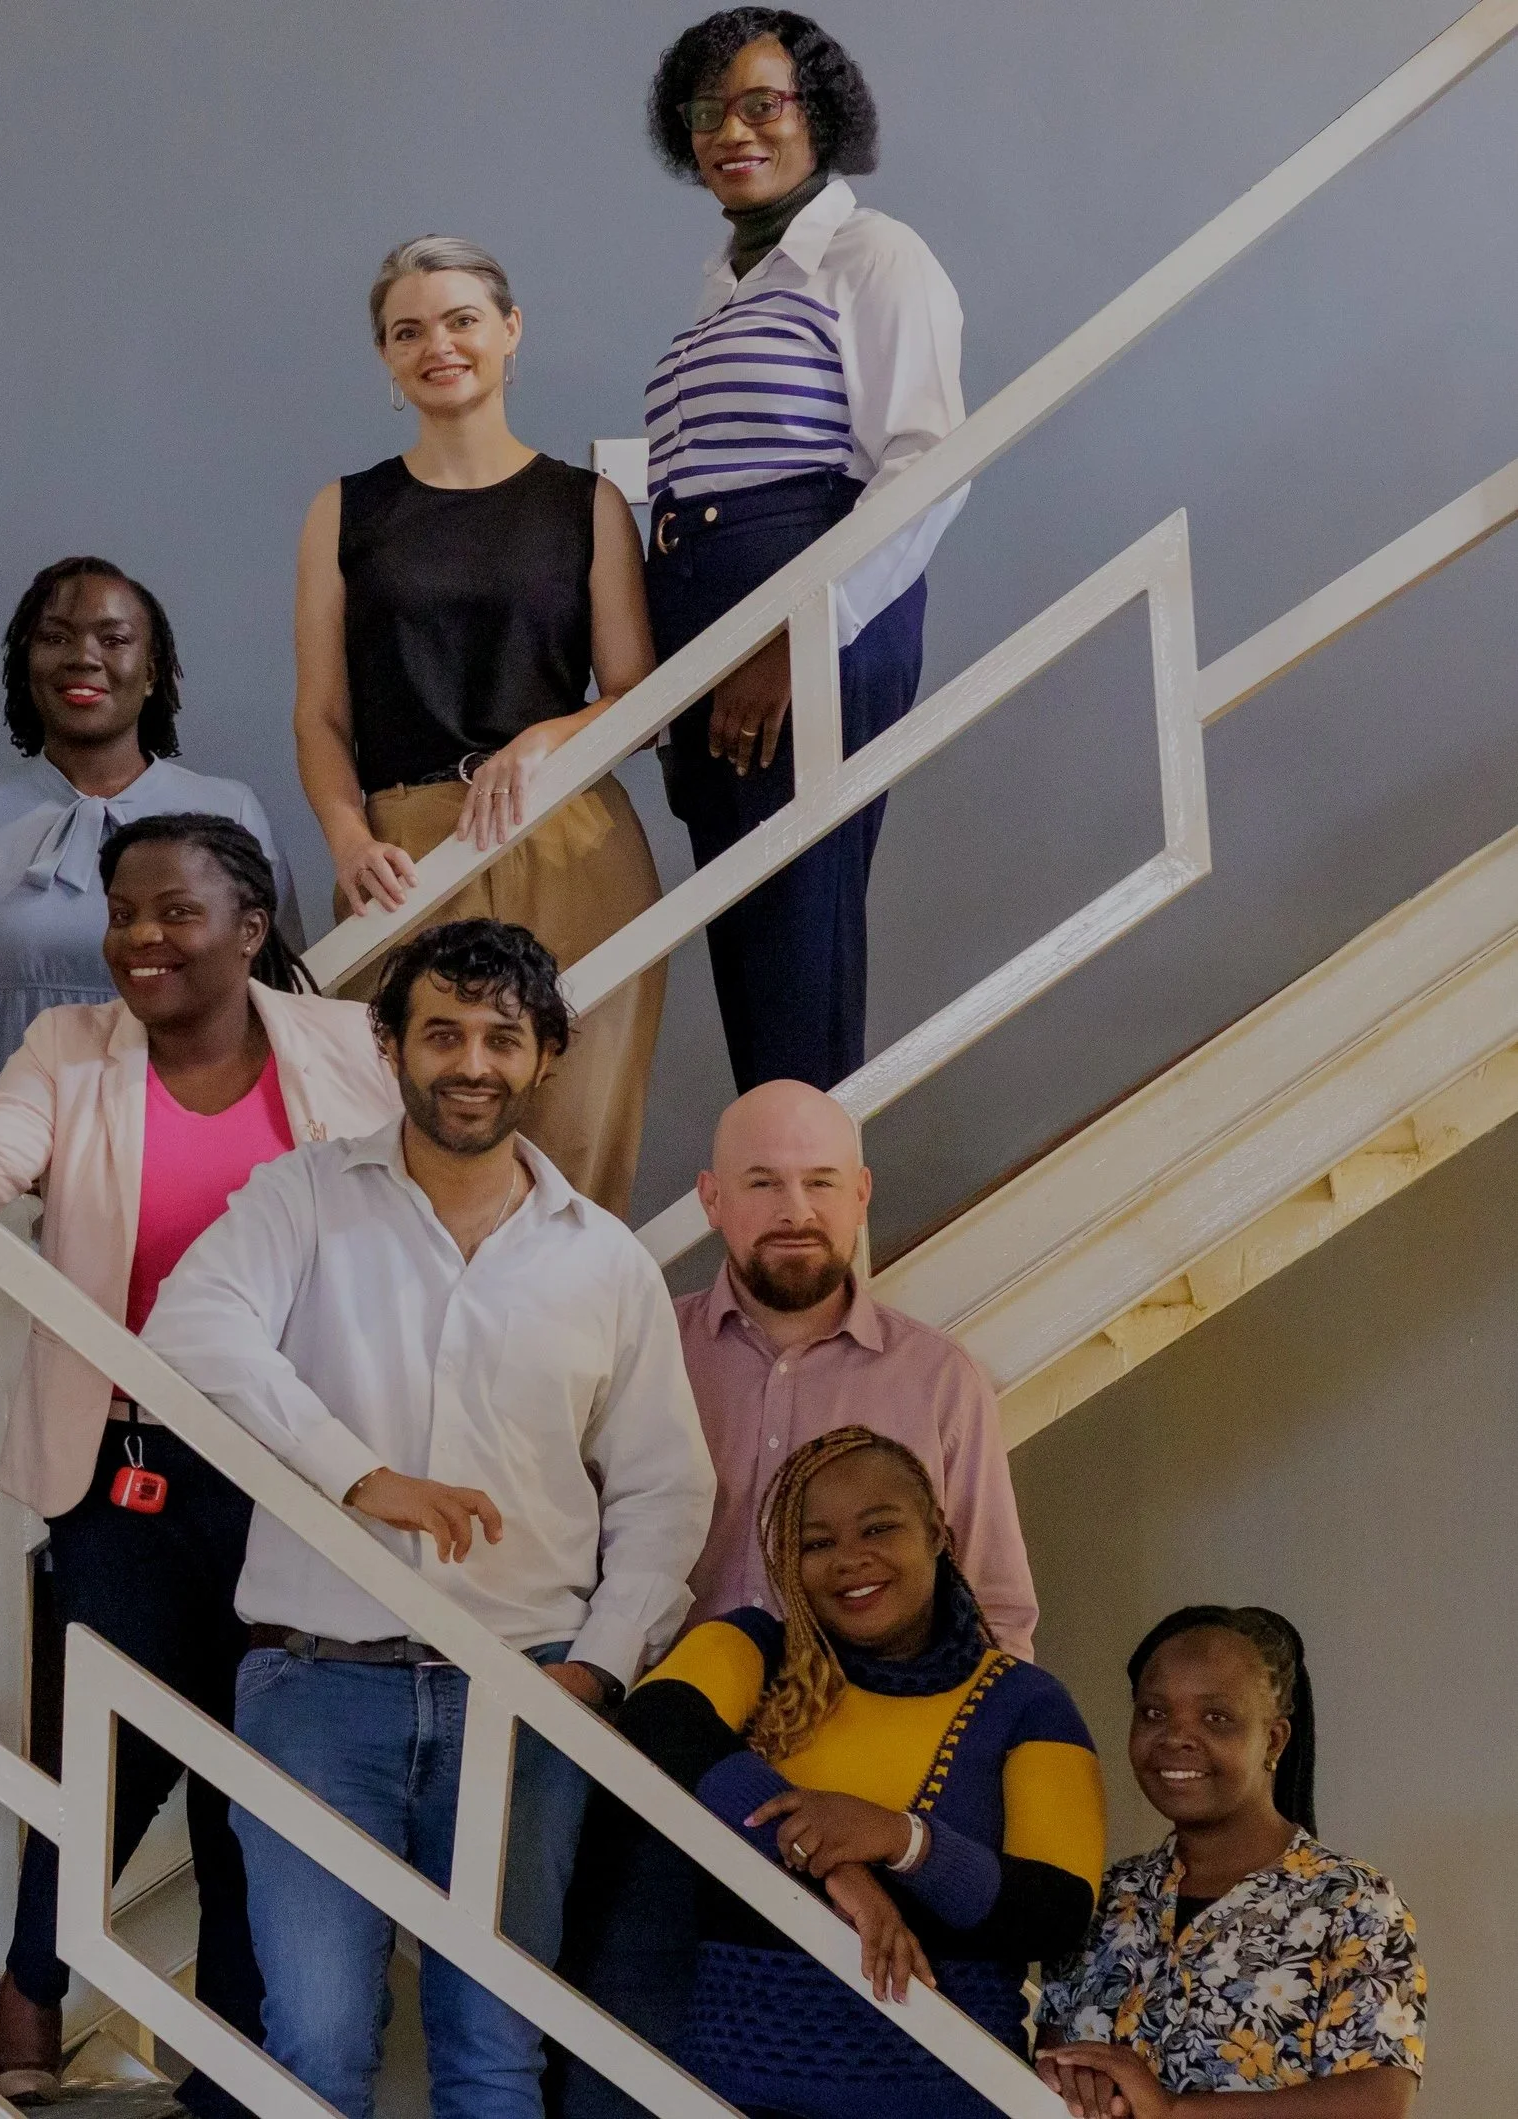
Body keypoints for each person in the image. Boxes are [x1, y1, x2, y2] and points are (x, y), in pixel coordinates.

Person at [0, 813, 392, 2108]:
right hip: (124, 1466)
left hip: (294, 1469)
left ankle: (222, 2052)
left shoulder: (344, 1046)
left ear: (249, 925)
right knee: (117, 1740)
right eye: (122, 910)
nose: (139, 937)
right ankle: (36, 1978)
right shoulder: (67, 1049)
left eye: (173, 911)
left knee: (257, 1759)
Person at [141, 918, 713, 2119]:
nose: (471, 1062)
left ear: (545, 1055)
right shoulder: (301, 1197)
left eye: (503, 1037)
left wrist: (599, 1671)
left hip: (524, 1696)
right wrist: (358, 1475)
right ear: (390, 1044)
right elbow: (189, 1332)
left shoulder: (604, 1260)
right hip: (314, 1690)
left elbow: (666, 1488)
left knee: (498, 2049)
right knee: (314, 2044)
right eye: (441, 1032)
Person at [0, 555, 297, 1579]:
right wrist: (24, 1134)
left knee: (179, 1478)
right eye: (57, 633)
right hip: (3, 1182)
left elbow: (281, 1003)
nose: (85, 657)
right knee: (18, 1487)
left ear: (155, 671)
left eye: (116, 637)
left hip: (181, 1188)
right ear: (24, 660)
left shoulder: (227, 806)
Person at [559, 1427, 1102, 2119]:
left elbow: (1052, 1912)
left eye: (879, 1527)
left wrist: (903, 1840)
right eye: (816, 1543)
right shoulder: (753, 1647)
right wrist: (829, 1863)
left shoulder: (1025, 1700)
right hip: (733, 2098)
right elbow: (656, 1725)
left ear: (937, 1532)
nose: (850, 1560)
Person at [293, 235, 667, 1215]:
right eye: (407, 330)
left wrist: (547, 738)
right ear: (386, 358)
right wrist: (346, 837)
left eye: (462, 320)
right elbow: (322, 714)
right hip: (405, 851)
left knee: (576, 1153)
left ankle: (569, 1368)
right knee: (400, 1163)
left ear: (509, 332)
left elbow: (637, 693)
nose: (438, 345)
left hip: (571, 835)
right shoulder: (345, 511)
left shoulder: (584, 506)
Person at [642, 11, 966, 1093]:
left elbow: (927, 462)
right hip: (712, 630)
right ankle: (777, 1242)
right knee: (748, 949)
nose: (730, 131)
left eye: (760, 103)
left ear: (817, 113)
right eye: (706, 112)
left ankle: (818, 1252)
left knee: (799, 939)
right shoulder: (723, 282)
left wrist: (801, 639)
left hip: (803, 622)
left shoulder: (874, 254)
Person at [677, 1078, 1036, 1656]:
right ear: (712, 1199)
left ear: (862, 1195)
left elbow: (995, 1608)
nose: (796, 1212)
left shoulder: (940, 1379)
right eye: (763, 1183)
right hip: (653, 1730)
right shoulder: (644, 1355)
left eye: (821, 1182)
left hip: (870, 1731)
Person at [1037, 1610, 1424, 2117]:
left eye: (1215, 1718)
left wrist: (1174, 2110)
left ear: (1275, 1740)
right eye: (1154, 1713)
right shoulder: (1103, 1899)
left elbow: (1378, 2104)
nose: (1176, 1737)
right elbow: (1052, 2061)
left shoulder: (1351, 1902)